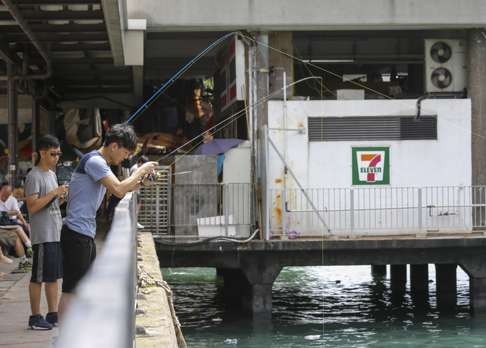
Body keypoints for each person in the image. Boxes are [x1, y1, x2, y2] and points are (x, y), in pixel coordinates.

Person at [58, 123, 156, 319]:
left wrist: (141, 182)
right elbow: (118, 189)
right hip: (76, 233)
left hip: (84, 233)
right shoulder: (95, 162)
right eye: (126, 152)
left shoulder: (100, 163)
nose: (126, 158)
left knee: (82, 287)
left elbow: (118, 190)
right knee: (71, 290)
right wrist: (141, 169)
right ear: (114, 146)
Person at [25, 135, 68, 330]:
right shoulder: (34, 176)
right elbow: (32, 207)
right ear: (42, 153)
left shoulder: (51, 174)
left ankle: (53, 314)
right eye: (53, 154)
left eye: (58, 154)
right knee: (38, 277)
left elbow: (49, 204)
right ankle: (35, 317)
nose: (56, 158)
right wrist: (53, 193)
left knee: (53, 277)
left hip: (55, 233)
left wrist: (61, 198)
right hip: (43, 236)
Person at [130, 155, 149, 229]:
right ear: (140, 162)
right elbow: (134, 181)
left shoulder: (137, 168)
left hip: (136, 191)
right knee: (135, 208)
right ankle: (134, 223)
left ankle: (135, 222)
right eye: (143, 164)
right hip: (134, 191)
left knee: (137, 207)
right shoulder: (135, 169)